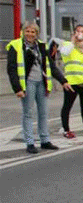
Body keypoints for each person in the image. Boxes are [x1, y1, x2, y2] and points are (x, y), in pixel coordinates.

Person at [6, 22, 72, 153]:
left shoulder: (42, 46)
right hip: (28, 83)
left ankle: (45, 140)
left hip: (42, 83)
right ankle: (30, 143)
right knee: (28, 113)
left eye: (33, 32)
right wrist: (17, 88)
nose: (30, 34)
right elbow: (11, 69)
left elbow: (51, 66)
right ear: (23, 32)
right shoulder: (15, 45)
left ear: (37, 33)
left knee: (43, 113)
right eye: (27, 31)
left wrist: (63, 81)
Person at [53, 24, 83, 138]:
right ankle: (66, 130)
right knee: (67, 106)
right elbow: (64, 53)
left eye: (82, 31)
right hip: (72, 81)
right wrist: (73, 42)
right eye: (77, 31)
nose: (80, 33)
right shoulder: (67, 45)